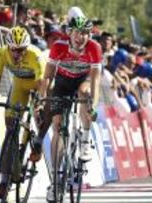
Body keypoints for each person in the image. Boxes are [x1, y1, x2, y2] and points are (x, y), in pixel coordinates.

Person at [34, 6, 102, 202]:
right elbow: (47, 77)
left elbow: (96, 82)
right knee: (57, 126)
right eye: (78, 33)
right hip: (62, 83)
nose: (82, 37)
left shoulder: (94, 48)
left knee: (84, 93)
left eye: (86, 33)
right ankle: (55, 182)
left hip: (83, 80)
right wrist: (41, 98)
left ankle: (85, 138)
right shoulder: (58, 46)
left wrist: (93, 106)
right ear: (70, 33)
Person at [0, 26, 45, 198]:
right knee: (11, 125)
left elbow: (42, 85)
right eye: (14, 50)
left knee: (40, 116)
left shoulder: (35, 55)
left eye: (21, 50)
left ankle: (35, 146)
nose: (17, 54)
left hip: (37, 85)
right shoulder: (2, 53)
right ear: (8, 47)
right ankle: (4, 179)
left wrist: (39, 103)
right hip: (19, 85)